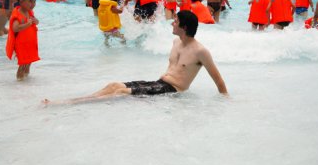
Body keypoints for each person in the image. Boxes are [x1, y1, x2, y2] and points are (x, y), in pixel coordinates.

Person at [43, 11, 228, 105]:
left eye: (176, 21)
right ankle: (74, 101)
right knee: (114, 85)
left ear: (185, 27)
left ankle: (71, 105)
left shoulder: (200, 52)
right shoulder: (175, 42)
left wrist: (226, 104)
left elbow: (219, 82)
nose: (172, 23)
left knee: (121, 93)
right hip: (159, 83)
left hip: (172, 91)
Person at [6, 0, 40, 80]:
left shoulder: (29, 12)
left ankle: (26, 79)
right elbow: (15, 28)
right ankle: (20, 82)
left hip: (30, 43)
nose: (33, 4)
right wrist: (27, 24)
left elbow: (36, 21)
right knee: (23, 64)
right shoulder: (17, 14)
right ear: (21, 2)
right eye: (30, 1)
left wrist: (36, 22)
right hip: (21, 44)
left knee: (29, 62)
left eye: (34, 1)